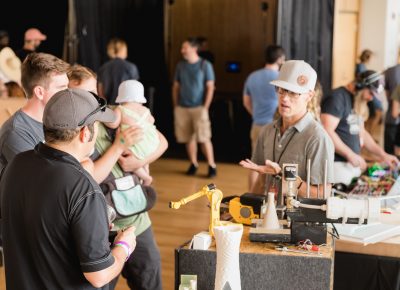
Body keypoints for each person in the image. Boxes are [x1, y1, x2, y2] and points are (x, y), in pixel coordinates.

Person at [0, 88, 137, 289]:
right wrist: (124, 246)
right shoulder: (82, 187)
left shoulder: (15, 165)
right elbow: (99, 275)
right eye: (96, 125)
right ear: (85, 133)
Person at [68, 64, 167, 290]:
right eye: (80, 94)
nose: (89, 100)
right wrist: (119, 146)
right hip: (101, 228)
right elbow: (88, 179)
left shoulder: (114, 114)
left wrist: (139, 162)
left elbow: (161, 141)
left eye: (93, 93)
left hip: (137, 222)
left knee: (150, 281)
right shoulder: (69, 132)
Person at [240, 60, 335, 198]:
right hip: (267, 215)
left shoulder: (317, 138)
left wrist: (292, 182)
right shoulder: (267, 131)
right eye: (282, 90)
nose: (284, 98)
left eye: (294, 93)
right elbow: (261, 182)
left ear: (309, 96)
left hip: (298, 218)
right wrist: (246, 208)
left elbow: (323, 194)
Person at [320, 70, 398, 185]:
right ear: (360, 85)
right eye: (371, 93)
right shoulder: (337, 98)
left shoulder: (357, 101)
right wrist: (350, 154)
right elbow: (326, 131)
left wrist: (383, 155)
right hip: (336, 165)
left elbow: (362, 133)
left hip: (351, 165)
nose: (371, 98)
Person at [0, 52, 70, 175]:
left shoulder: (58, 121)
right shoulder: (16, 132)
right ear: (39, 92)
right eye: (62, 87)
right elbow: (44, 182)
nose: (68, 93)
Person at [242, 44, 285, 191]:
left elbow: (246, 101)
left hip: (256, 125)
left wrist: (255, 114)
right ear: (280, 59)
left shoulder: (252, 76)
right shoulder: (281, 78)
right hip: (276, 127)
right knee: (273, 165)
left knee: (255, 164)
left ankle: (251, 197)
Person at [172, 37, 217, 177]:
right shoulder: (180, 66)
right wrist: (176, 105)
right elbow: (175, 87)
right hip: (182, 108)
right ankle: (193, 163)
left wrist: (206, 106)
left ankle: (211, 165)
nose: (182, 50)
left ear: (194, 48)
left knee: (203, 138)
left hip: (199, 108)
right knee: (187, 138)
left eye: (185, 47)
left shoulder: (205, 65)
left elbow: (210, 87)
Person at [104, 79, 160, 185]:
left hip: (136, 141)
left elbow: (113, 123)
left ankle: (145, 177)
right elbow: (152, 120)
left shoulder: (121, 109)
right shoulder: (146, 110)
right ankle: (146, 170)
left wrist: (104, 117)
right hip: (150, 141)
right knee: (144, 158)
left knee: (130, 157)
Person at [97, 38, 140, 105]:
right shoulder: (131, 67)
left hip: (108, 108)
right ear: (123, 50)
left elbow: (100, 92)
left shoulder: (102, 68)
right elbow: (134, 91)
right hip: (125, 107)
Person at [383, 57, 400, 154]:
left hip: (392, 119)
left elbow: (387, 94)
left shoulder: (389, 71)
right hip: (395, 121)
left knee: (390, 153)